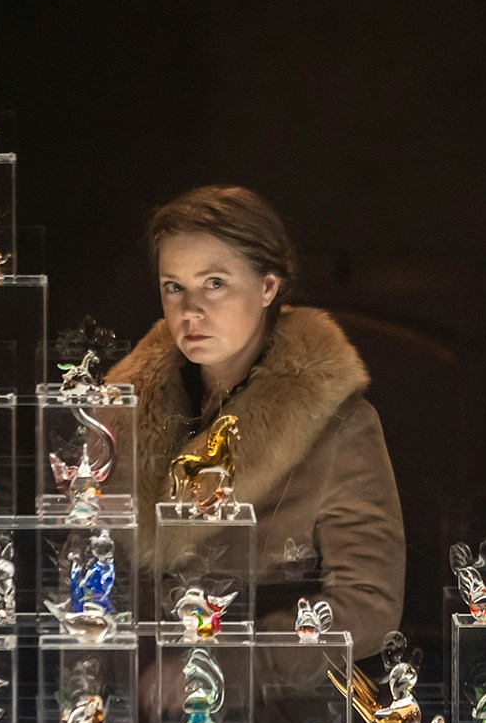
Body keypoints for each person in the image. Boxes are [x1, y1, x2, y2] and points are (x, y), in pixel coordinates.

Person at [107, 185, 406, 660]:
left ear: (268, 287)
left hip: (274, 719)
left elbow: (369, 606)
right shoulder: (121, 415)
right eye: (174, 287)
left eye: (215, 283)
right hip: (133, 711)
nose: (190, 310)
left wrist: (231, 666)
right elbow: (83, 569)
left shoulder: (340, 425)